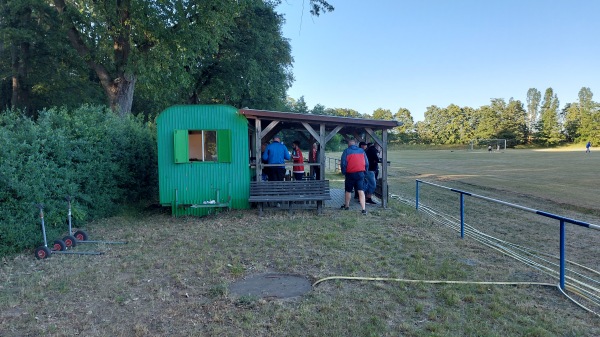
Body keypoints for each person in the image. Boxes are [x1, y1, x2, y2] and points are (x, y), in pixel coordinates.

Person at [340, 139, 369, 215]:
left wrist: (344, 172)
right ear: (355, 144)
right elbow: (366, 163)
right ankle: (363, 209)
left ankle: (347, 206)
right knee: (361, 190)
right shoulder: (362, 151)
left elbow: (343, 163)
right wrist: (365, 172)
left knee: (348, 190)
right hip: (360, 173)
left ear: (348, 144)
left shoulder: (346, 151)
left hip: (350, 174)